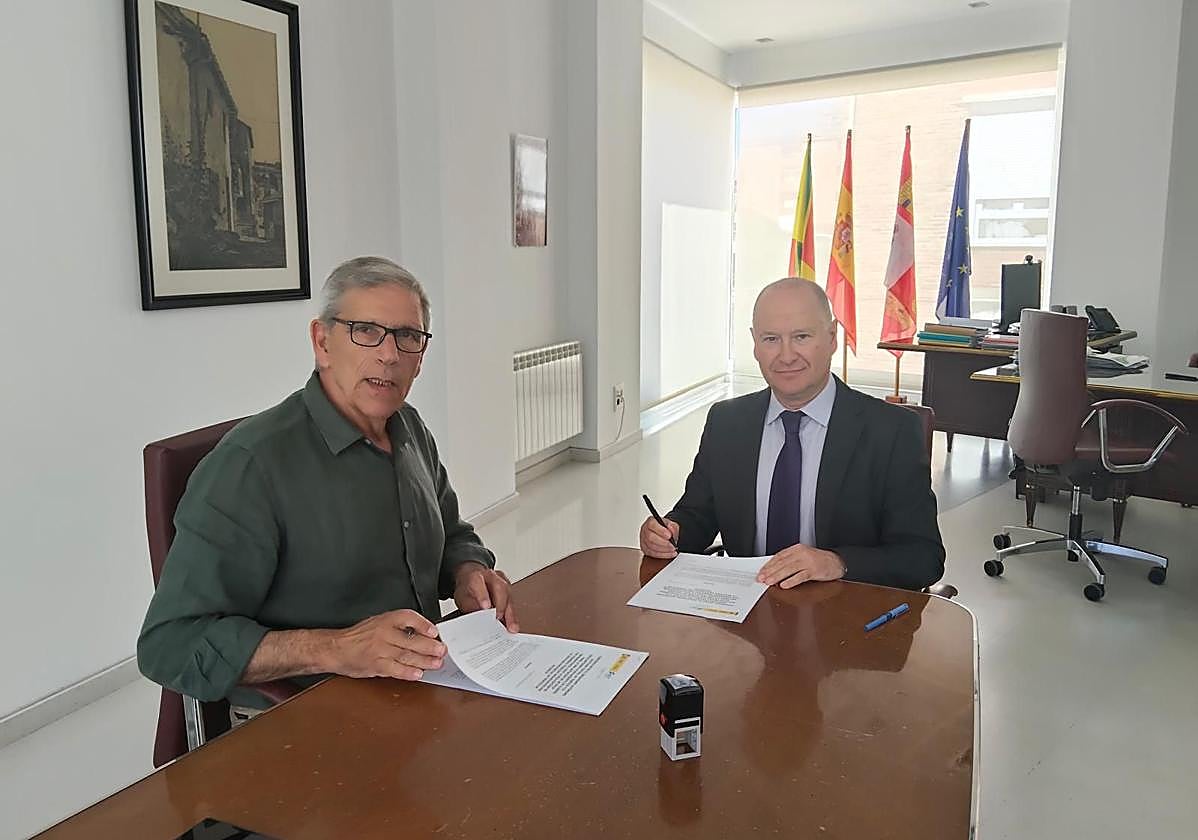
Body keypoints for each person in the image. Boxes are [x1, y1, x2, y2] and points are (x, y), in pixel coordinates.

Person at [138, 257, 517, 705]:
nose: (389, 354)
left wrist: (468, 571)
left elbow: (452, 532)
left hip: (419, 690)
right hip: (307, 716)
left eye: (408, 337)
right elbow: (170, 644)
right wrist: (338, 648)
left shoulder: (408, 427)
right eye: (366, 331)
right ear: (322, 342)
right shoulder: (249, 467)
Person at [638, 277, 944, 591]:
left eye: (801, 336)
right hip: (745, 615)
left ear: (831, 337)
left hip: (845, 614)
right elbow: (698, 514)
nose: (786, 356)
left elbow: (922, 557)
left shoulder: (891, 431)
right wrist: (671, 532)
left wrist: (837, 562)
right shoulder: (727, 422)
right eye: (771, 339)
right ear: (755, 344)